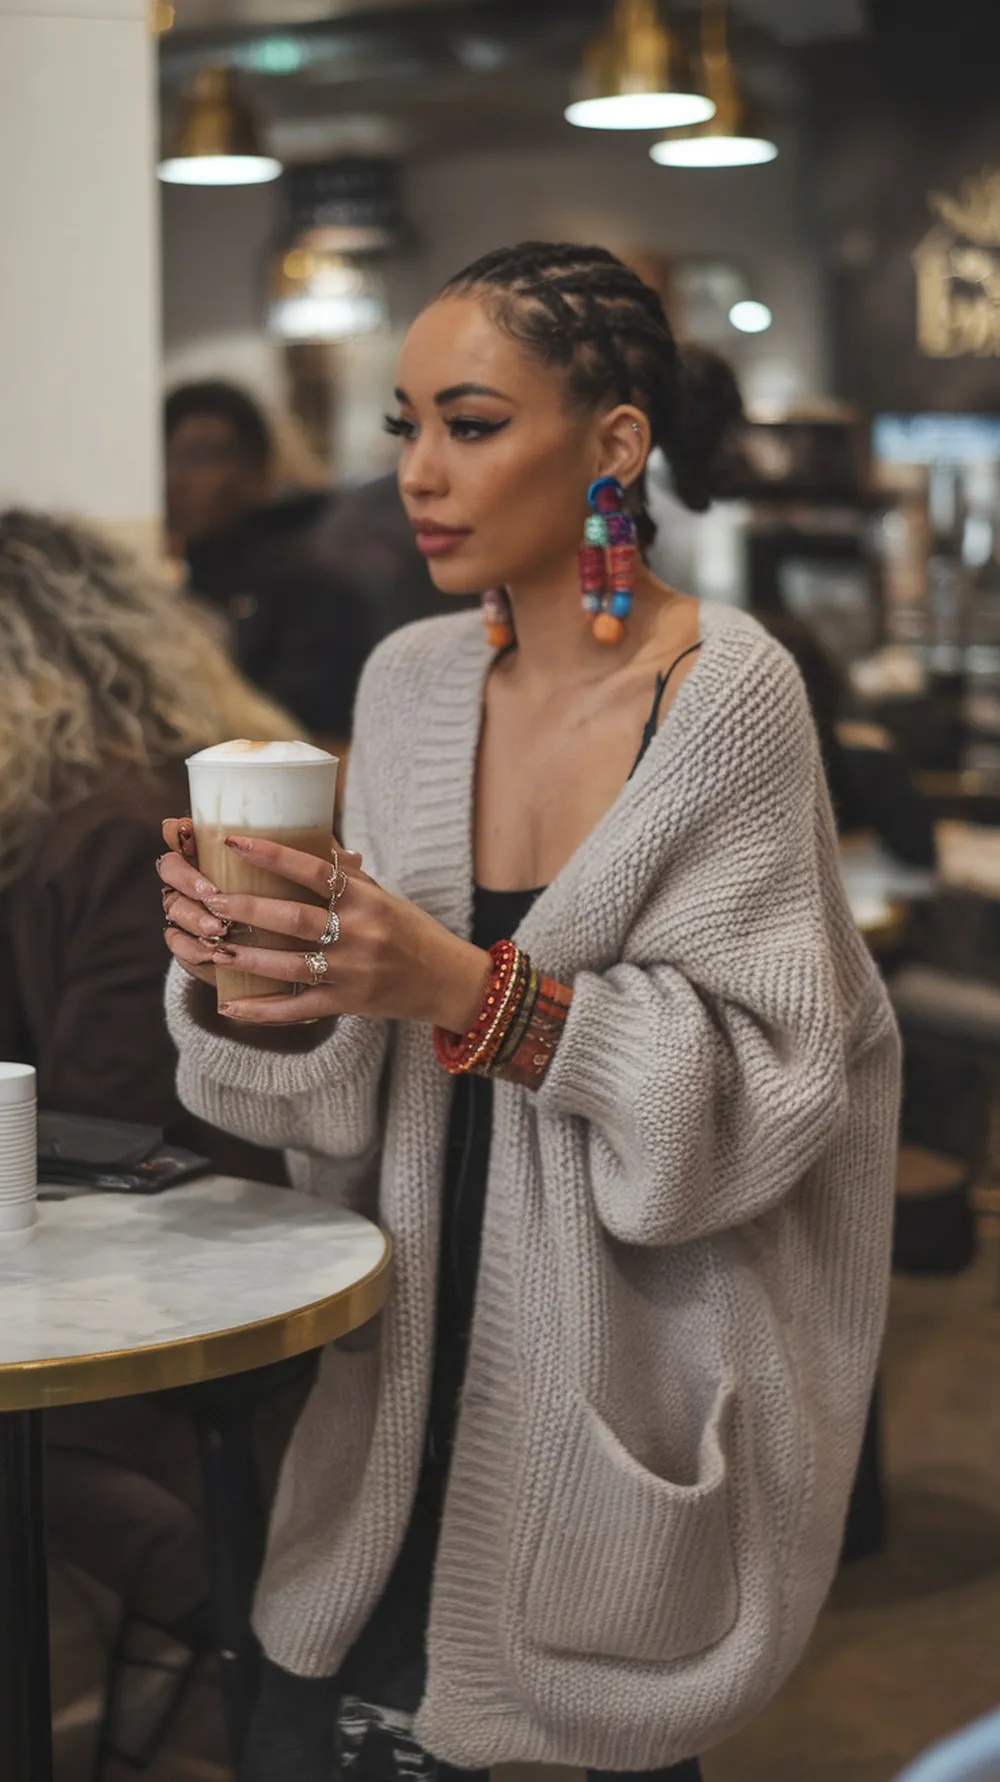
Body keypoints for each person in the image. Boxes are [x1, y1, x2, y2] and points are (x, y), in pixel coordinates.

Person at [159, 242, 900, 1782]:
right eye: (405, 426)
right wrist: (259, 977)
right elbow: (334, 1092)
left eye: (473, 423)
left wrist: (461, 986)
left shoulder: (727, 693)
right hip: (390, 1392)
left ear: (614, 444)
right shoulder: (411, 681)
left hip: (605, 1404)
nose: (422, 472)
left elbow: (768, 1089)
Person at [0, 508, 297, 1681]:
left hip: (184, 1285)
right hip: (147, 1257)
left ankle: (260, 1667)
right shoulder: (62, 827)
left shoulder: (115, 834)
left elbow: (90, 1118)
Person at [165, 380, 377, 748]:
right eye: (164, 458)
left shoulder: (314, 588)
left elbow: (322, 742)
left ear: (257, 472)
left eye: (199, 457)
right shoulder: (167, 581)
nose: (175, 479)